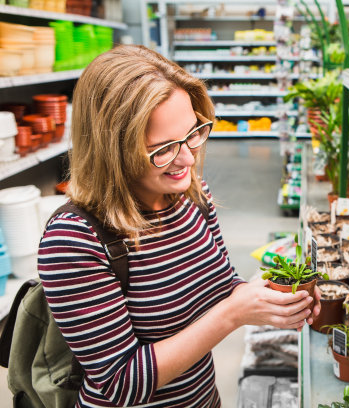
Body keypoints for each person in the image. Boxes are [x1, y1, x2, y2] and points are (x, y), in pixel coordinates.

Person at [38, 45, 320, 408]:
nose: (187, 157)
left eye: (192, 133)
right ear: (113, 150)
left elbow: (220, 287)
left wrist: (269, 299)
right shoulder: (75, 239)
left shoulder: (192, 195)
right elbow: (121, 383)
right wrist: (234, 314)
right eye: (163, 148)